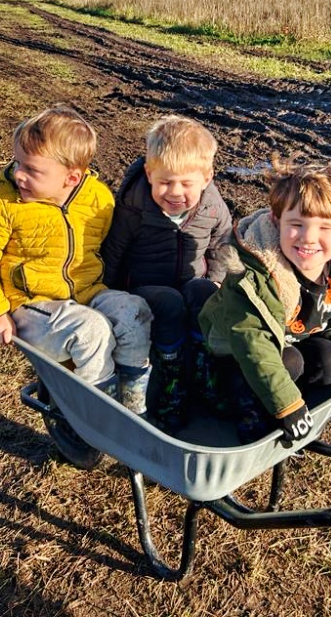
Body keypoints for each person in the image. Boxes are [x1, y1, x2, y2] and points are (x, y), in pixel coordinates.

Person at [0, 104, 153, 414]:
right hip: (30, 304)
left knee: (134, 312)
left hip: (87, 293)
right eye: (17, 162)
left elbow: (108, 245)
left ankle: (132, 405)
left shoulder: (97, 198)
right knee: (90, 331)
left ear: (72, 178)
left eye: (32, 170)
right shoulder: (0, 201)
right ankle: (92, 414)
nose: (19, 174)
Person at [197, 161, 331, 443]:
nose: (309, 238)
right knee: (290, 361)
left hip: (290, 343)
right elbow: (253, 346)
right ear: (276, 220)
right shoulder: (253, 275)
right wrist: (287, 405)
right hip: (232, 355)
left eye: (325, 227)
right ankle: (247, 409)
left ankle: (292, 407)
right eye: (296, 224)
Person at [101, 116, 233, 432]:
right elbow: (114, 251)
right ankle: (172, 383)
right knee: (170, 302)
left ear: (206, 178)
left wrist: (216, 278)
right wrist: (105, 291)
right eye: (164, 182)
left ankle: (204, 370)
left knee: (204, 293)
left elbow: (224, 242)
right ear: (149, 174)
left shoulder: (213, 207)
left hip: (191, 280)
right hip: (146, 288)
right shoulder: (134, 208)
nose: (174, 192)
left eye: (186, 184)